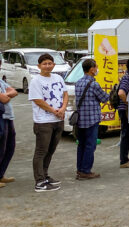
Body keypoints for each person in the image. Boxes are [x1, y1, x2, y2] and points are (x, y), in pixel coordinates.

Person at [28, 53, 68, 191]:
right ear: (39, 66)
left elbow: (65, 94)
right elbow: (37, 100)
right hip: (43, 121)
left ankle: (45, 176)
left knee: (50, 150)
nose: (47, 66)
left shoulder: (58, 77)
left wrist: (62, 109)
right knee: (41, 151)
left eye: (50, 63)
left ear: (54, 65)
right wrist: (53, 110)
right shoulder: (36, 81)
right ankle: (39, 181)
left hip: (58, 119)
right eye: (44, 64)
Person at [73, 58, 110, 180]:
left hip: (80, 119)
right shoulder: (94, 84)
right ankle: (85, 171)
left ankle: (80, 169)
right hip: (92, 119)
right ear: (92, 69)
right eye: (96, 67)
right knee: (90, 145)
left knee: (81, 145)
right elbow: (104, 98)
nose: (97, 69)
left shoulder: (78, 82)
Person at [0, 78, 19, 188]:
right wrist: (6, 95)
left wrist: (6, 94)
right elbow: (4, 99)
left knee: (9, 147)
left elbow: (14, 91)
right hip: (0, 116)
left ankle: (1, 174)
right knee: (0, 147)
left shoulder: (1, 81)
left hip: (7, 116)